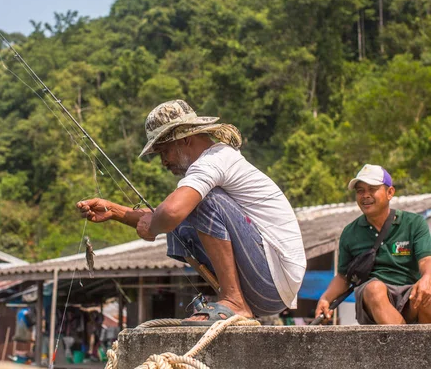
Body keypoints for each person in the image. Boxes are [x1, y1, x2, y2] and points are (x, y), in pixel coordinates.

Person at [76, 99, 306, 323]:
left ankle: (234, 301)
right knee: (186, 211)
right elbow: (165, 216)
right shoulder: (211, 165)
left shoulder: (215, 159)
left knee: (198, 203)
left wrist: (153, 227)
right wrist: (115, 211)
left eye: (164, 151)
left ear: (184, 139)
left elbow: (170, 213)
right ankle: (234, 300)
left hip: (273, 281)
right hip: (268, 287)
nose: (163, 162)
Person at [315, 164, 431, 324]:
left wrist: (427, 277)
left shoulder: (414, 223)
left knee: (428, 289)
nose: (365, 195)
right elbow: (343, 277)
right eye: (360, 191)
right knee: (374, 288)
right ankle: (403, 346)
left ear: (390, 192)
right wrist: (325, 299)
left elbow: (426, 260)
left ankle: (421, 346)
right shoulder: (350, 232)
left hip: (409, 296)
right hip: (373, 302)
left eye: (372, 189)